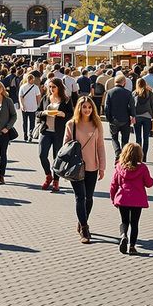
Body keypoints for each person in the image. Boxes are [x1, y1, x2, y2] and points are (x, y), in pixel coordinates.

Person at [63, 95, 107, 244]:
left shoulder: (97, 124)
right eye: (84, 107)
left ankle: (82, 220)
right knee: (80, 197)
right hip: (76, 167)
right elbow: (65, 147)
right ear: (79, 108)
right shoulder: (71, 124)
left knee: (89, 198)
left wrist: (102, 167)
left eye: (89, 107)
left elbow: (100, 146)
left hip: (92, 166)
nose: (87, 109)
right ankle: (85, 228)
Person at [109, 141, 153, 256]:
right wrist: (151, 180)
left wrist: (113, 197)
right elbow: (149, 183)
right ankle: (132, 246)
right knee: (134, 223)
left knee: (124, 221)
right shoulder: (143, 168)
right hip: (137, 200)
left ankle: (123, 235)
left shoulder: (119, 167)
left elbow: (113, 184)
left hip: (123, 199)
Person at [37, 79, 71, 191]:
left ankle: (56, 181)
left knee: (57, 157)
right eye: (50, 87)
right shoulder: (46, 98)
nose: (51, 89)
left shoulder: (66, 100)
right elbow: (38, 112)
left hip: (58, 132)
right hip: (45, 131)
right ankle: (48, 175)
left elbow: (71, 115)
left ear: (59, 87)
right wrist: (44, 113)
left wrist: (63, 114)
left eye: (54, 87)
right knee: (42, 155)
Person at [103, 74, 134, 154]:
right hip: (125, 119)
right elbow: (132, 106)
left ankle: (117, 152)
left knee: (114, 138)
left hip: (114, 119)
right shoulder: (128, 93)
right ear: (124, 83)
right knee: (125, 140)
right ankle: (124, 155)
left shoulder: (109, 92)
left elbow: (106, 107)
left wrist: (109, 118)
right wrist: (133, 116)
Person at [131, 77, 153, 160]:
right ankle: (144, 156)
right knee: (146, 138)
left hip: (137, 116)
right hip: (147, 117)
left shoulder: (134, 93)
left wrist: (131, 115)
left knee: (138, 138)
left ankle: (138, 156)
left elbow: (131, 106)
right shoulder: (150, 93)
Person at [18, 73, 42, 142]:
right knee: (29, 122)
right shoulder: (32, 87)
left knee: (27, 122)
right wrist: (22, 105)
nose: (31, 81)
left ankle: (28, 134)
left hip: (29, 107)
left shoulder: (25, 87)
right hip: (30, 107)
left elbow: (38, 96)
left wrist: (21, 105)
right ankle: (27, 134)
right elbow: (38, 97)